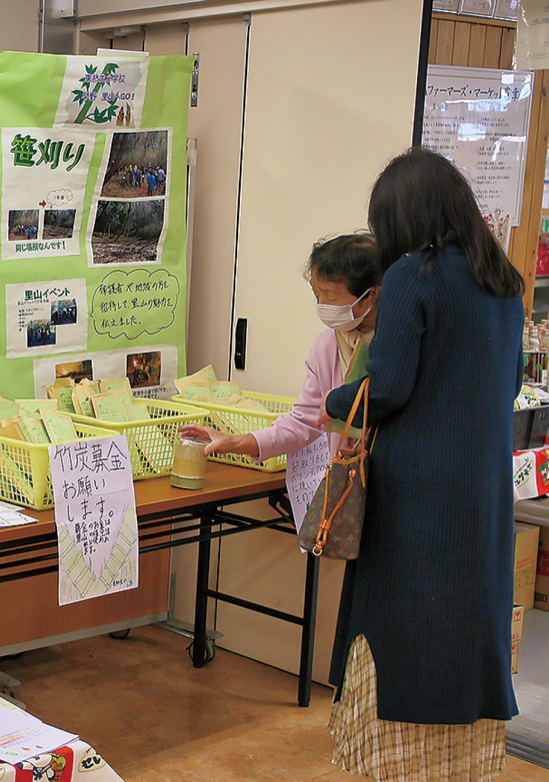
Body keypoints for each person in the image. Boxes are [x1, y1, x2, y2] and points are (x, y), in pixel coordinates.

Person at [319, 147, 524, 781]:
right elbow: (511, 382)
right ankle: (460, 766)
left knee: (401, 631)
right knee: (465, 628)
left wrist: (335, 401)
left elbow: (386, 388)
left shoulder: (416, 273)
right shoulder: (503, 280)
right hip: (483, 490)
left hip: (416, 492)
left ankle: (396, 766)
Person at [179, 233, 381, 464]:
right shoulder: (327, 345)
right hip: (351, 474)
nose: (322, 305)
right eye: (317, 295)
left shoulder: (395, 343)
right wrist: (234, 442)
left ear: (370, 295)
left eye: (330, 297)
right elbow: (302, 422)